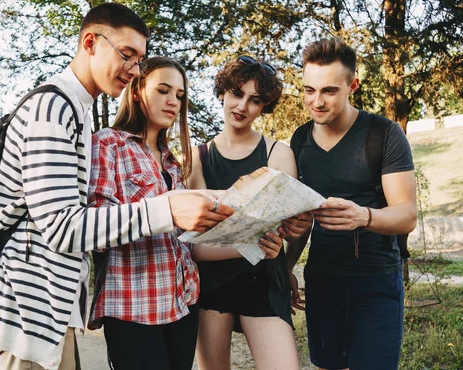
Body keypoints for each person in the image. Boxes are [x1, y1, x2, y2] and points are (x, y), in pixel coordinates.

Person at [0, 3, 233, 370]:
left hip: (53, 306)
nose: (134, 69)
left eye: (140, 60)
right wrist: (167, 209)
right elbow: (61, 227)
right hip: (32, 304)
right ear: (90, 42)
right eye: (127, 55)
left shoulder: (76, 111)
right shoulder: (52, 107)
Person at [87, 56, 258, 370]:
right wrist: (163, 212)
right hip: (133, 308)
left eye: (179, 95)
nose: (173, 102)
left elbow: (188, 244)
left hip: (182, 304)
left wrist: (253, 245)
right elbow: (96, 229)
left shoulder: (172, 163)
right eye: (163, 90)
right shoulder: (107, 145)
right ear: (137, 91)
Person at [286, 37, 417, 370]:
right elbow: (302, 217)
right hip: (323, 280)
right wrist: (285, 270)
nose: (316, 102)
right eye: (308, 90)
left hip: (375, 280)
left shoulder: (383, 134)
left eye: (329, 91)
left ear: (352, 86)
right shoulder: (300, 140)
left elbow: (407, 215)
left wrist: (364, 216)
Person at [187, 56, 312, 370]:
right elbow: (196, 243)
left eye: (254, 100)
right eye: (237, 93)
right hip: (212, 285)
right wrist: (253, 242)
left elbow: (297, 227)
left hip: (264, 282)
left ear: (264, 106)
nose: (242, 106)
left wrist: (285, 263)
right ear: (222, 93)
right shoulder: (197, 158)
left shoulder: (279, 154)